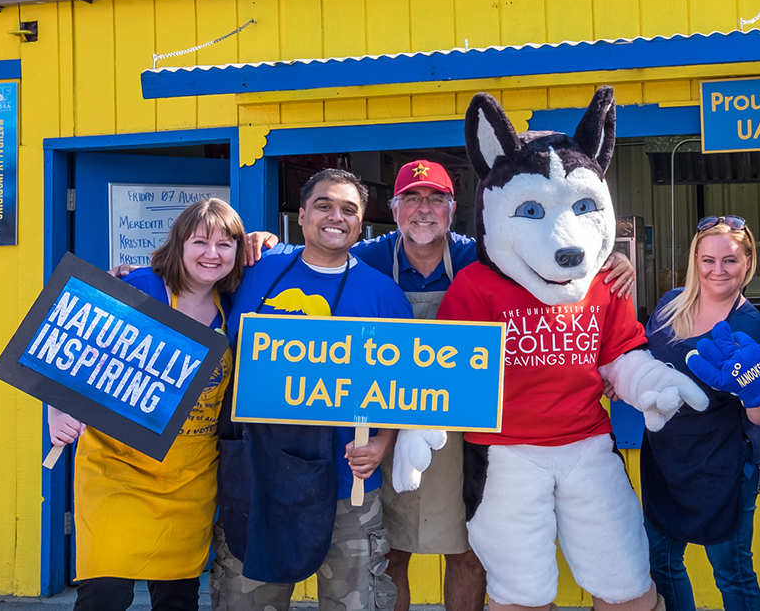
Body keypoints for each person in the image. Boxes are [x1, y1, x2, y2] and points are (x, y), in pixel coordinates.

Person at [245, 158, 635, 611]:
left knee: (467, 551)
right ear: (393, 210)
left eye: (435, 199)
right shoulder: (367, 259)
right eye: (411, 198)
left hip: (464, 434)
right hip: (386, 430)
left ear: (453, 208)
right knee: (390, 552)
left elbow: (553, 269)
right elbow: (315, 259)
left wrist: (608, 260)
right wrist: (263, 243)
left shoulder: (483, 257)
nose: (423, 209)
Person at [213, 169, 412, 611]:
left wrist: (382, 442)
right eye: (323, 205)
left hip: (349, 479)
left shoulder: (384, 296)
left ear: (361, 225)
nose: (335, 217)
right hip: (256, 476)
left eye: (348, 210)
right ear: (301, 215)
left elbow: (408, 387)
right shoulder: (254, 269)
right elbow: (189, 288)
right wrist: (132, 279)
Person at [47, 198, 247, 611]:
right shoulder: (139, 287)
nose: (213, 254)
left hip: (190, 477)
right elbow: (67, 344)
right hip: (116, 468)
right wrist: (58, 410)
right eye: (200, 241)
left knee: (177, 598)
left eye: (225, 244)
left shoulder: (236, 304)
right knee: (105, 593)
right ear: (178, 243)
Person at [634, 216, 760, 611]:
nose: (718, 270)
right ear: (695, 261)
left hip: (726, 461)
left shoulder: (750, 325)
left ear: (748, 263)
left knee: (731, 572)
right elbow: (643, 364)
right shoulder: (670, 305)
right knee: (660, 562)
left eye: (730, 260)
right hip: (667, 457)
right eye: (708, 260)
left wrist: (757, 391)